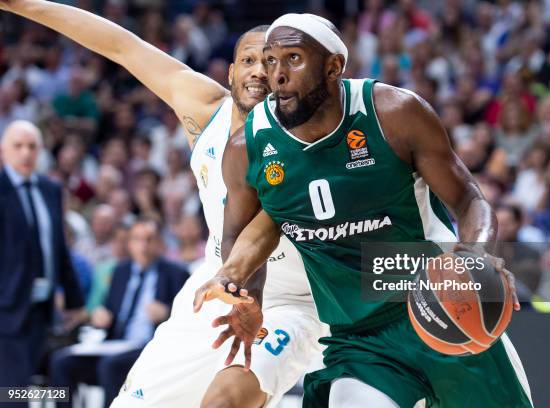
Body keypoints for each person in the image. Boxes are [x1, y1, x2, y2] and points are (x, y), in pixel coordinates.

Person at [194, 14, 533, 408]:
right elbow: (241, 232)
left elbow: (470, 200)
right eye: (271, 60)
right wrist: (249, 295)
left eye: (293, 59)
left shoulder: (394, 113)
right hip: (359, 339)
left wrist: (477, 258)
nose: (277, 75)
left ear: (334, 67)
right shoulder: (247, 147)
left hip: (439, 301)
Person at [0, 1, 327, 406]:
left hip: (296, 302)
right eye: (248, 59)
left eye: (271, 61)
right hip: (216, 284)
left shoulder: (317, 137)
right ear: (230, 72)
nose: (259, 70)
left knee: (224, 402)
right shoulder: (206, 111)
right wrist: (21, 4)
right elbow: (121, 46)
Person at [50, 217, 189, 407]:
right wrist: (102, 315)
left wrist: (167, 313)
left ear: (159, 242)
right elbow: (109, 308)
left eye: (149, 239)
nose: (143, 246)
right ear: (129, 243)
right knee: (61, 363)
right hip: (115, 345)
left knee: (110, 366)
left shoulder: (176, 273)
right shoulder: (119, 272)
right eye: (137, 239)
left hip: (148, 349)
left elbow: (188, 320)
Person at [0, 120, 86, 388]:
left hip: (44, 309)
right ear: (4, 151)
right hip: (6, 308)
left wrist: (74, 299)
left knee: (52, 391)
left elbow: (58, 247)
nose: (25, 153)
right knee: (12, 393)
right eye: (18, 146)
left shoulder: (50, 190)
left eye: (32, 146)